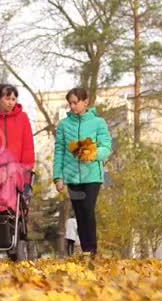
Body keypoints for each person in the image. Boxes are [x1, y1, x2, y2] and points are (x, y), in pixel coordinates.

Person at [53, 87, 112, 255]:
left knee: (87, 209)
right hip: (72, 177)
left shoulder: (98, 122)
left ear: (85, 102)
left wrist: (92, 154)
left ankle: (91, 249)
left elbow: (107, 146)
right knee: (79, 213)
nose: (72, 106)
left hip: (92, 176)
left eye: (75, 102)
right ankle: (86, 250)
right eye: (69, 103)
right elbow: (59, 151)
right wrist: (58, 177)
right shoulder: (64, 125)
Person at [0, 84, 35, 199]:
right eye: (7, 98)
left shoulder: (23, 118)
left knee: (15, 207)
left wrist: (26, 170)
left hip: (18, 171)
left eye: (13, 99)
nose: (10, 102)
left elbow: (28, 145)